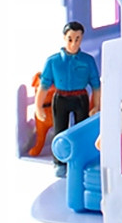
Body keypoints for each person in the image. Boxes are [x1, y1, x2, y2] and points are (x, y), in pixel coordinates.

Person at [37, 21, 101, 177]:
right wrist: (38, 106)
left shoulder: (87, 61)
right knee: (60, 130)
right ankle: (60, 163)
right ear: (64, 38)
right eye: (70, 39)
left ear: (82, 38)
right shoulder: (53, 61)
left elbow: (96, 86)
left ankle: (81, 160)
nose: (74, 43)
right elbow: (43, 86)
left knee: (82, 130)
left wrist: (96, 105)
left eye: (78, 39)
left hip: (80, 99)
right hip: (61, 99)